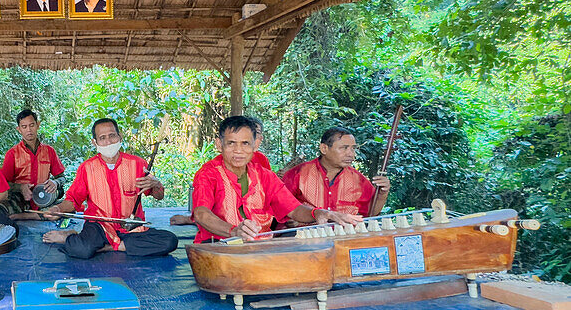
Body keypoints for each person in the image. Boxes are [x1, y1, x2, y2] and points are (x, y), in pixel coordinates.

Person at [191, 115, 359, 243]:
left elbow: (293, 209)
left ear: (255, 145)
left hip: (260, 248)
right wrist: (234, 231)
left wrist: (320, 213)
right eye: (231, 143)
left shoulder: (264, 176)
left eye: (245, 144)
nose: (238, 150)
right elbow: (201, 214)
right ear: (219, 145)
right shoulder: (208, 174)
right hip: (218, 245)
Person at [40, 118, 178, 259]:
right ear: (95, 142)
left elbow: (159, 195)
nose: (108, 142)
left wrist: (155, 184)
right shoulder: (87, 168)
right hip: (99, 226)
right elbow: (73, 200)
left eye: (112, 136)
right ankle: (76, 237)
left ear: (120, 136)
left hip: (131, 228)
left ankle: (106, 247)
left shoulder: (138, 164)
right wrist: (58, 209)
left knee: (170, 241)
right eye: (102, 138)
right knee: (82, 249)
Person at [282, 126, 390, 220]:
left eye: (353, 148)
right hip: (306, 236)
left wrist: (382, 194)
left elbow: (371, 213)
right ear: (324, 148)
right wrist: (290, 220)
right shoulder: (298, 174)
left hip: (344, 237)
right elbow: (280, 206)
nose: (351, 154)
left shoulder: (358, 180)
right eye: (344, 148)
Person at [0, 109, 66, 220]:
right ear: (19, 129)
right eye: (24, 127)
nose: (29, 130)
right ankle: (37, 215)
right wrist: (21, 188)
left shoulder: (49, 151)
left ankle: (26, 216)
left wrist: (55, 182)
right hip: (21, 200)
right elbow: (3, 184)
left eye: (32, 125)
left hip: (44, 199)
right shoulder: (13, 153)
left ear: (38, 125)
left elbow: (62, 177)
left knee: (66, 207)